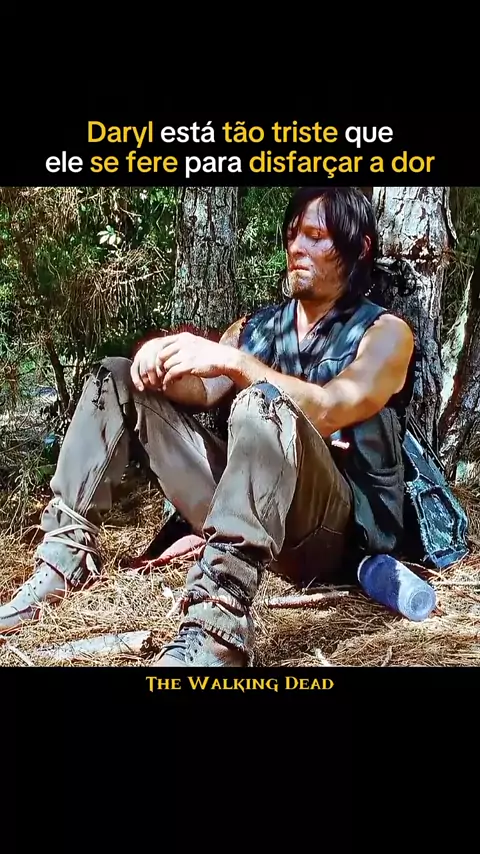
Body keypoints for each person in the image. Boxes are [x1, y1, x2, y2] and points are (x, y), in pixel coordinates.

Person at [0, 187, 415, 667]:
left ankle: (218, 628)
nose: (297, 247)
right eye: (292, 235)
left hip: (331, 538)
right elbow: (205, 390)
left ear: (359, 247)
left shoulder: (385, 334)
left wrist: (233, 362)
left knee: (263, 402)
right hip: (251, 517)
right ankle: (63, 559)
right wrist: (161, 363)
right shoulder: (257, 327)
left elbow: (329, 408)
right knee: (116, 377)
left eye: (315, 236)